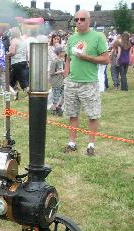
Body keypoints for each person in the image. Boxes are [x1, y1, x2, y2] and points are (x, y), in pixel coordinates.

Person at [63, 9, 109, 157]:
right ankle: (71, 143)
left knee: (92, 114)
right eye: (76, 20)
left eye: (82, 19)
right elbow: (68, 58)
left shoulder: (98, 37)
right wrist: (66, 73)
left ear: (89, 20)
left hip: (89, 82)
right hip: (72, 82)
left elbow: (106, 59)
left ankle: (91, 144)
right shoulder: (72, 38)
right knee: (72, 114)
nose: (79, 22)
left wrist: (87, 57)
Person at [8, 27, 28, 96]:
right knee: (12, 80)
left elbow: (13, 52)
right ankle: (13, 93)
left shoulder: (13, 40)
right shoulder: (22, 41)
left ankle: (28, 94)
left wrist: (7, 54)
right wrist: (27, 61)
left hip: (16, 62)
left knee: (22, 80)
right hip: (23, 61)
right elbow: (26, 52)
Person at [49, 46, 65, 116]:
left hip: (62, 81)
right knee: (56, 96)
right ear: (59, 53)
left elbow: (64, 69)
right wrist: (60, 72)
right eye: (63, 51)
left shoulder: (62, 60)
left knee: (65, 95)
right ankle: (54, 110)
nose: (64, 52)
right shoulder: (54, 61)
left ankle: (59, 107)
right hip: (56, 82)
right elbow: (51, 72)